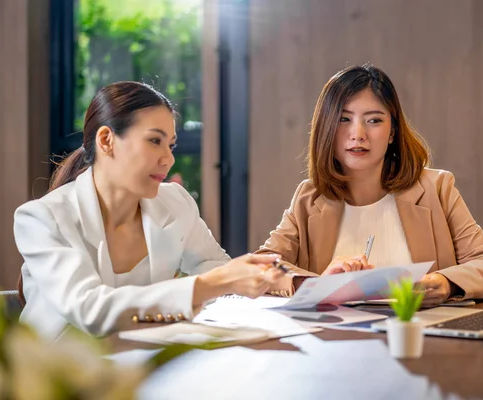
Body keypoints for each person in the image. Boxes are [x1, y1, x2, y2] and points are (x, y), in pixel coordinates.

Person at [15, 81, 284, 340]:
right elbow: (90, 310)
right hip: (49, 379)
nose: (168, 158)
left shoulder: (175, 202)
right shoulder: (41, 219)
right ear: (107, 140)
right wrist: (211, 284)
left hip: (137, 367)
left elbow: (213, 265)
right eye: (155, 141)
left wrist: (242, 275)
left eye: (171, 145)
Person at [257, 64, 483, 307]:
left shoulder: (437, 189)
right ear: (326, 129)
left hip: (421, 340)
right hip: (335, 344)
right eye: (344, 119)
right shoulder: (309, 198)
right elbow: (261, 266)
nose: (358, 134)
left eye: (374, 120)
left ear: (392, 133)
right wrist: (319, 285)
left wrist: (446, 283)